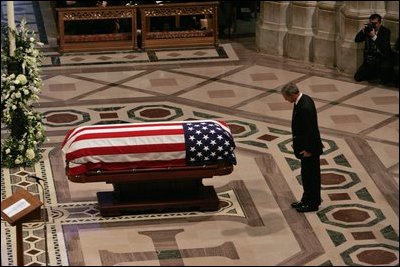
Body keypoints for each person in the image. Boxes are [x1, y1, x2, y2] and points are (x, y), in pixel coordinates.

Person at [281, 83, 323, 212]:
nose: (285, 100)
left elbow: (311, 130)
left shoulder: (305, 107)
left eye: (286, 97)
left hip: (310, 150)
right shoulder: (303, 100)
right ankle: (306, 200)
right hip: (305, 146)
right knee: (306, 175)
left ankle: (312, 203)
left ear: (292, 94)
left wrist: (309, 150)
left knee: (311, 177)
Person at [354, 13, 393, 84]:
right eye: (371, 23)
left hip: (382, 59)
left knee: (385, 77)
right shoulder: (368, 30)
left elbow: (385, 47)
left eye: (375, 23)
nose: (373, 25)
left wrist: (374, 37)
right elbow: (357, 40)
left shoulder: (385, 31)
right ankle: (373, 75)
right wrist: (362, 31)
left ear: (380, 23)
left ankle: (377, 75)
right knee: (357, 77)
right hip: (370, 60)